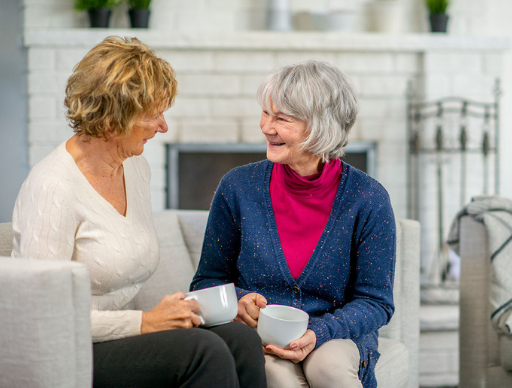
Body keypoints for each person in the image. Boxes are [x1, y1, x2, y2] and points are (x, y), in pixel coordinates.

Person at [11, 36, 266, 388]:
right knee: (203, 351)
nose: (163, 127)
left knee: (240, 339)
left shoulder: (135, 169)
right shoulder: (52, 187)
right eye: (154, 115)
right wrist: (144, 323)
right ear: (114, 119)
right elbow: (38, 317)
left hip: (121, 336)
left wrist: (213, 308)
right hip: (71, 352)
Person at [191, 60, 396, 388]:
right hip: (259, 338)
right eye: (265, 113)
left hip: (335, 334)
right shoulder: (238, 187)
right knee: (276, 375)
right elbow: (206, 282)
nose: (266, 127)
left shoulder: (368, 198)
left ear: (321, 127)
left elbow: (376, 302)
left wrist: (321, 332)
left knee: (328, 370)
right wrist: (240, 300)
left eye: (282, 119)